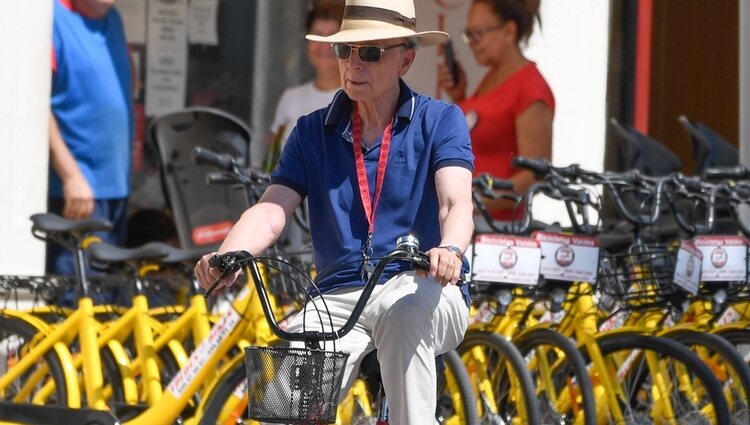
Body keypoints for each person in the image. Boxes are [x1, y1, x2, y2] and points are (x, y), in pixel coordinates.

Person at [195, 0, 474, 423]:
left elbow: (456, 201)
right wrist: (229, 254)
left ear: (406, 59)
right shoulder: (311, 130)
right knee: (286, 399)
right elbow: (271, 209)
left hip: (422, 286)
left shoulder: (440, 120)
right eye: (346, 50)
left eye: (371, 52)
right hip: (337, 298)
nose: (354, 63)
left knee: (404, 318)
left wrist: (450, 249)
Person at [438, 0, 554, 223]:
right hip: (470, 218)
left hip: (497, 228)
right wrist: (460, 97)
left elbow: (536, 174)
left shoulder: (530, 87)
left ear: (509, 31)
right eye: (469, 35)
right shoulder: (493, 78)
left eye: (478, 34)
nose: (472, 43)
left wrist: (471, 201)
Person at [47, 0, 133, 296]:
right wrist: (70, 176)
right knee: (77, 306)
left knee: (107, 306)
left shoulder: (114, 20)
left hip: (115, 190)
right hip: (76, 197)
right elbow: (35, 102)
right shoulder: (50, 17)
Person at [266, 0, 344, 252]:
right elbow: (270, 159)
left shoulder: (354, 97)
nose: (322, 46)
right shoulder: (290, 98)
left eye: (330, 37)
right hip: (290, 213)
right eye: (316, 36)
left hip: (335, 214)